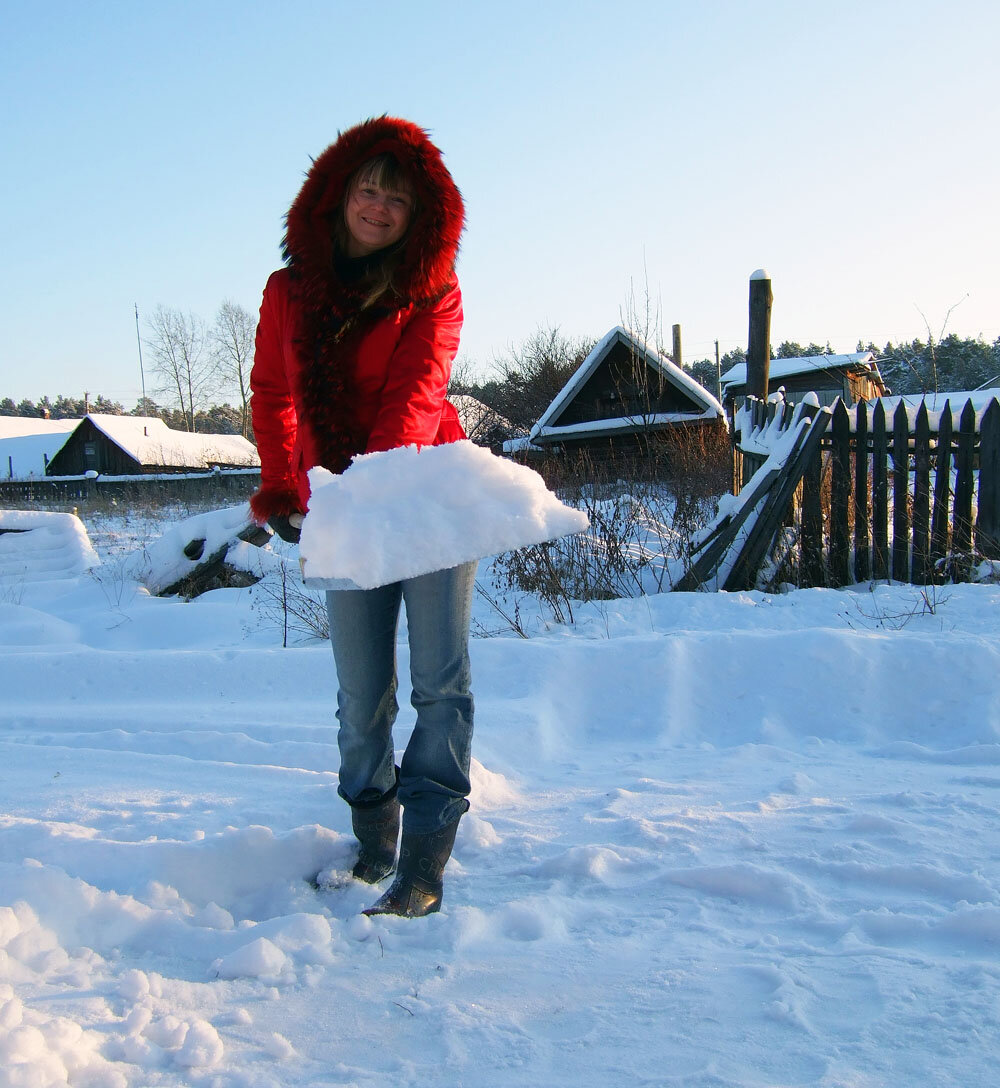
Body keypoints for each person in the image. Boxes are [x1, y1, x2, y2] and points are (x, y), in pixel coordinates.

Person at [248, 116, 473, 918]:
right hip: (340, 507)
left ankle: (424, 868)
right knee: (360, 693)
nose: (379, 206)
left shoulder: (433, 291)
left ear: (420, 217)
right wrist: (283, 487)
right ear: (339, 195)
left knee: (440, 684)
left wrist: (369, 486)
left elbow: (417, 393)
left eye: (398, 198)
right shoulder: (288, 292)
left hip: (427, 499)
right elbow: (272, 395)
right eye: (368, 189)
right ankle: (375, 843)